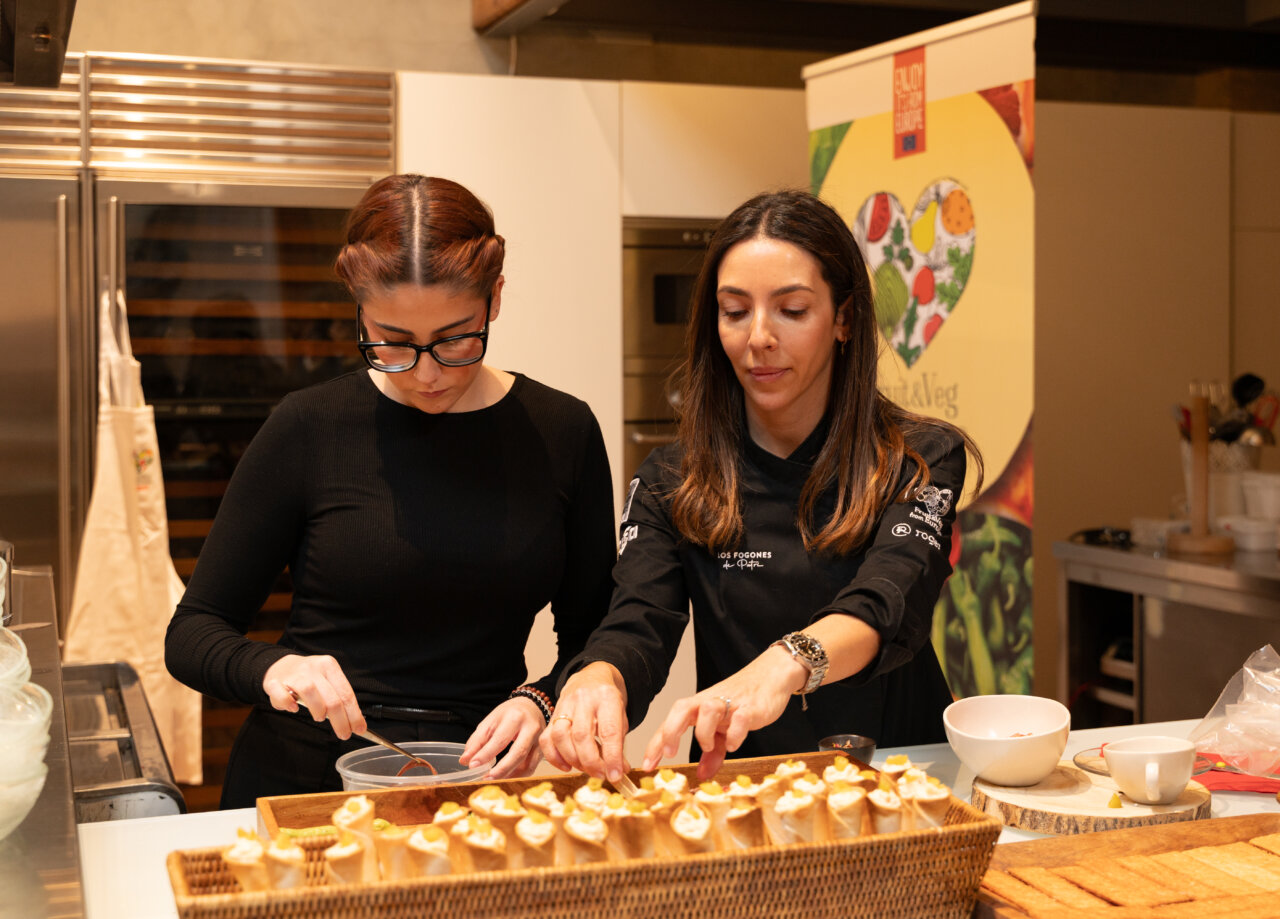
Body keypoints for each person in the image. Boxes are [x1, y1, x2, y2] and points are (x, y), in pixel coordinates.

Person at [166, 175, 616, 806]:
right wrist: (275, 667)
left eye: (454, 339)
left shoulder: (562, 431)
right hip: (305, 779)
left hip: (476, 779)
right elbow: (193, 633)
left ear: (495, 298)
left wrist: (541, 700)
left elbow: (597, 634)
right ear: (359, 311)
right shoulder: (309, 426)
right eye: (393, 342)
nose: (426, 374)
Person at [540, 189, 982, 783]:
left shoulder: (919, 458)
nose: (759, 338)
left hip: (900, 775)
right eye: (735, 311)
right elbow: (639, 619)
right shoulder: (671, 479)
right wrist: (600, 676)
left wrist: (787, 661)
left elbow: (886, 598)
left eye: (792, 310)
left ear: (845, 319)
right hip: (743, 784)